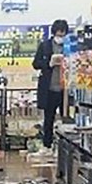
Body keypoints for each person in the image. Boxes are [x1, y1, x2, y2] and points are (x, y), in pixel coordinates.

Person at [33, 19, 69, 154]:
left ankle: (64, 148)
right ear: (54, 33)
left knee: (67, 118)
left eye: (63, 35)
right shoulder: (45, 46)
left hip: (65, 89)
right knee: (49, 118)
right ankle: (47, 145)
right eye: (59, 35)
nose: (60, 38)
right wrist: (48, 63)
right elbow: (35, 63)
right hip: (49, 88)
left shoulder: (70, 45)